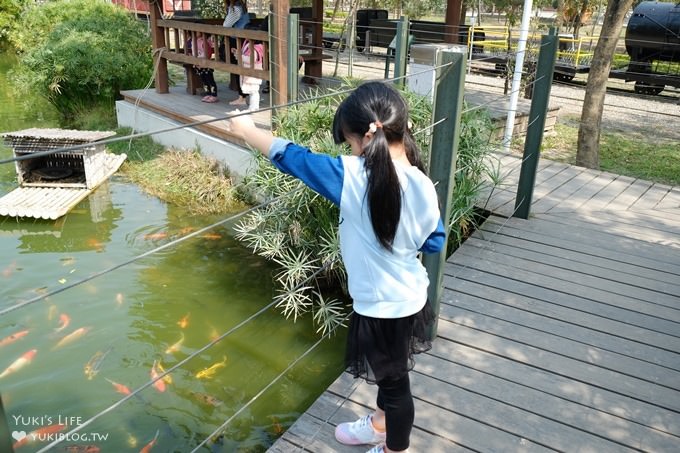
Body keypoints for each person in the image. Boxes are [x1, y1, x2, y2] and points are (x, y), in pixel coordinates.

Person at [228, 81, 446, 453]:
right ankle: (379, 425)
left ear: (363, 138)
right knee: (388, 373)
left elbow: (295, 159)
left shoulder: (354, 176)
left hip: (382, 308)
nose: (350, 150)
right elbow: (434, 241)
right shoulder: (424, 183)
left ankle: (396, 448)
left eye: (348, 142)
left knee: (396, 388)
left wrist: (247, 130)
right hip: (409, 296)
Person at [222, 0, 250, 99]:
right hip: (242, 40)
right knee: (241, 68)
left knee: (238, 68)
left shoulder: (235, 8)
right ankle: (243, 94)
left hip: (238, 40)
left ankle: (242, 96)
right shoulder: (240, 6)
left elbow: (226, 25)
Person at [189, 32, 218, 103]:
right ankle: (208, 93)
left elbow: (208, 53)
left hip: (205, 64)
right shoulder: (193, 40)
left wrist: (204, 62)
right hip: (198, 63)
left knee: (210, 80)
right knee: (204, 80)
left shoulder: (204, 41)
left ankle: (214, 95)